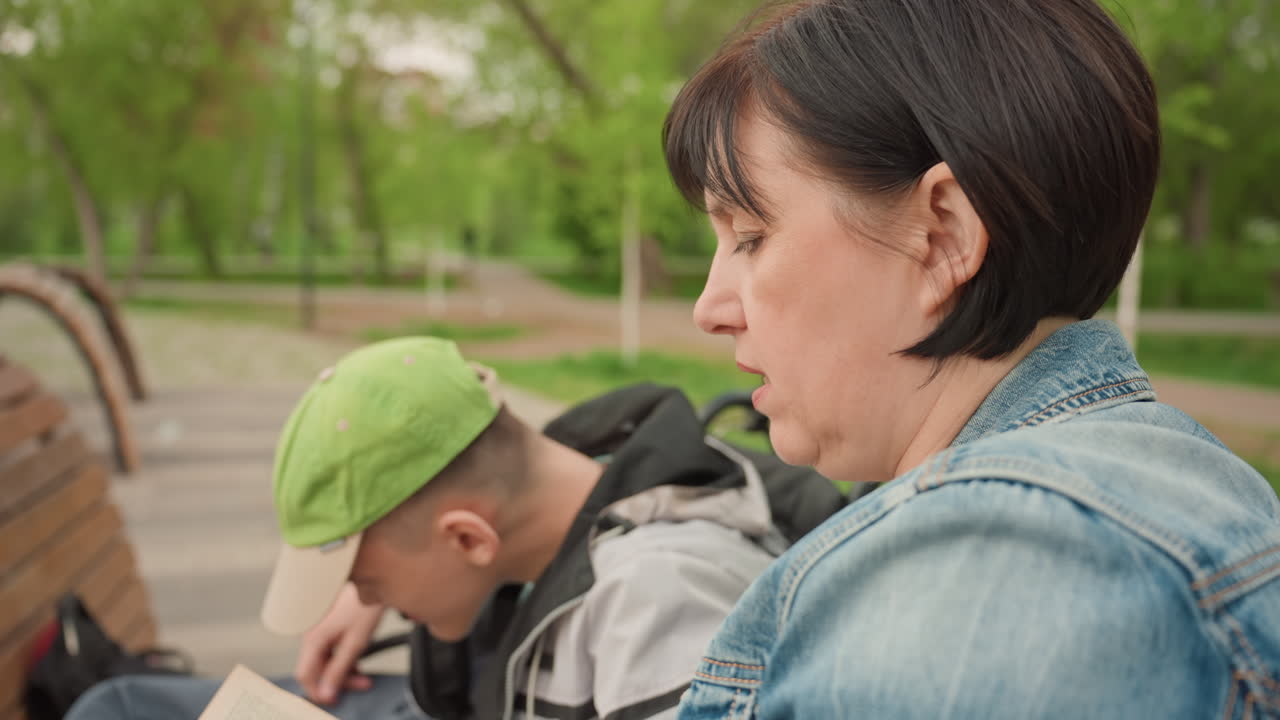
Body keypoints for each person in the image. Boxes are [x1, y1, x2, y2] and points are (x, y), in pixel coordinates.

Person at [661, 1, 1280, 718]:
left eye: (749, 234)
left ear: (943, 236)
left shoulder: (1008, 566)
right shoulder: (1147, 494)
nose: (709, 307)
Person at [67, 337, 843, 720]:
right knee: (121, 704)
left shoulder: (661, 600)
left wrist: (406, 582)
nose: (361, 596)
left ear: (469, 539)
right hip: (474, 689)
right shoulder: (571, 469)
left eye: (362, 577)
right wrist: (381, 587)